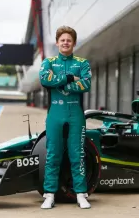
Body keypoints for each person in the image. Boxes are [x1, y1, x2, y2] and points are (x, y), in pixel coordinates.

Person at [38, 26, 92, 209]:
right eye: (62, 40)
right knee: (53, 154)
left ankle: (81, 194)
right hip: (55, 113)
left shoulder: (83, 63)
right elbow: (45, 79)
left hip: (75, 113)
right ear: (57, 43)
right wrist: (70, 78)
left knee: (77, 154)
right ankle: (49, 195)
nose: (66, 43)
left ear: (74, 43)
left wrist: (60, 82)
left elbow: (86, 84)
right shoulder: (49, 62)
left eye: (69, 40)